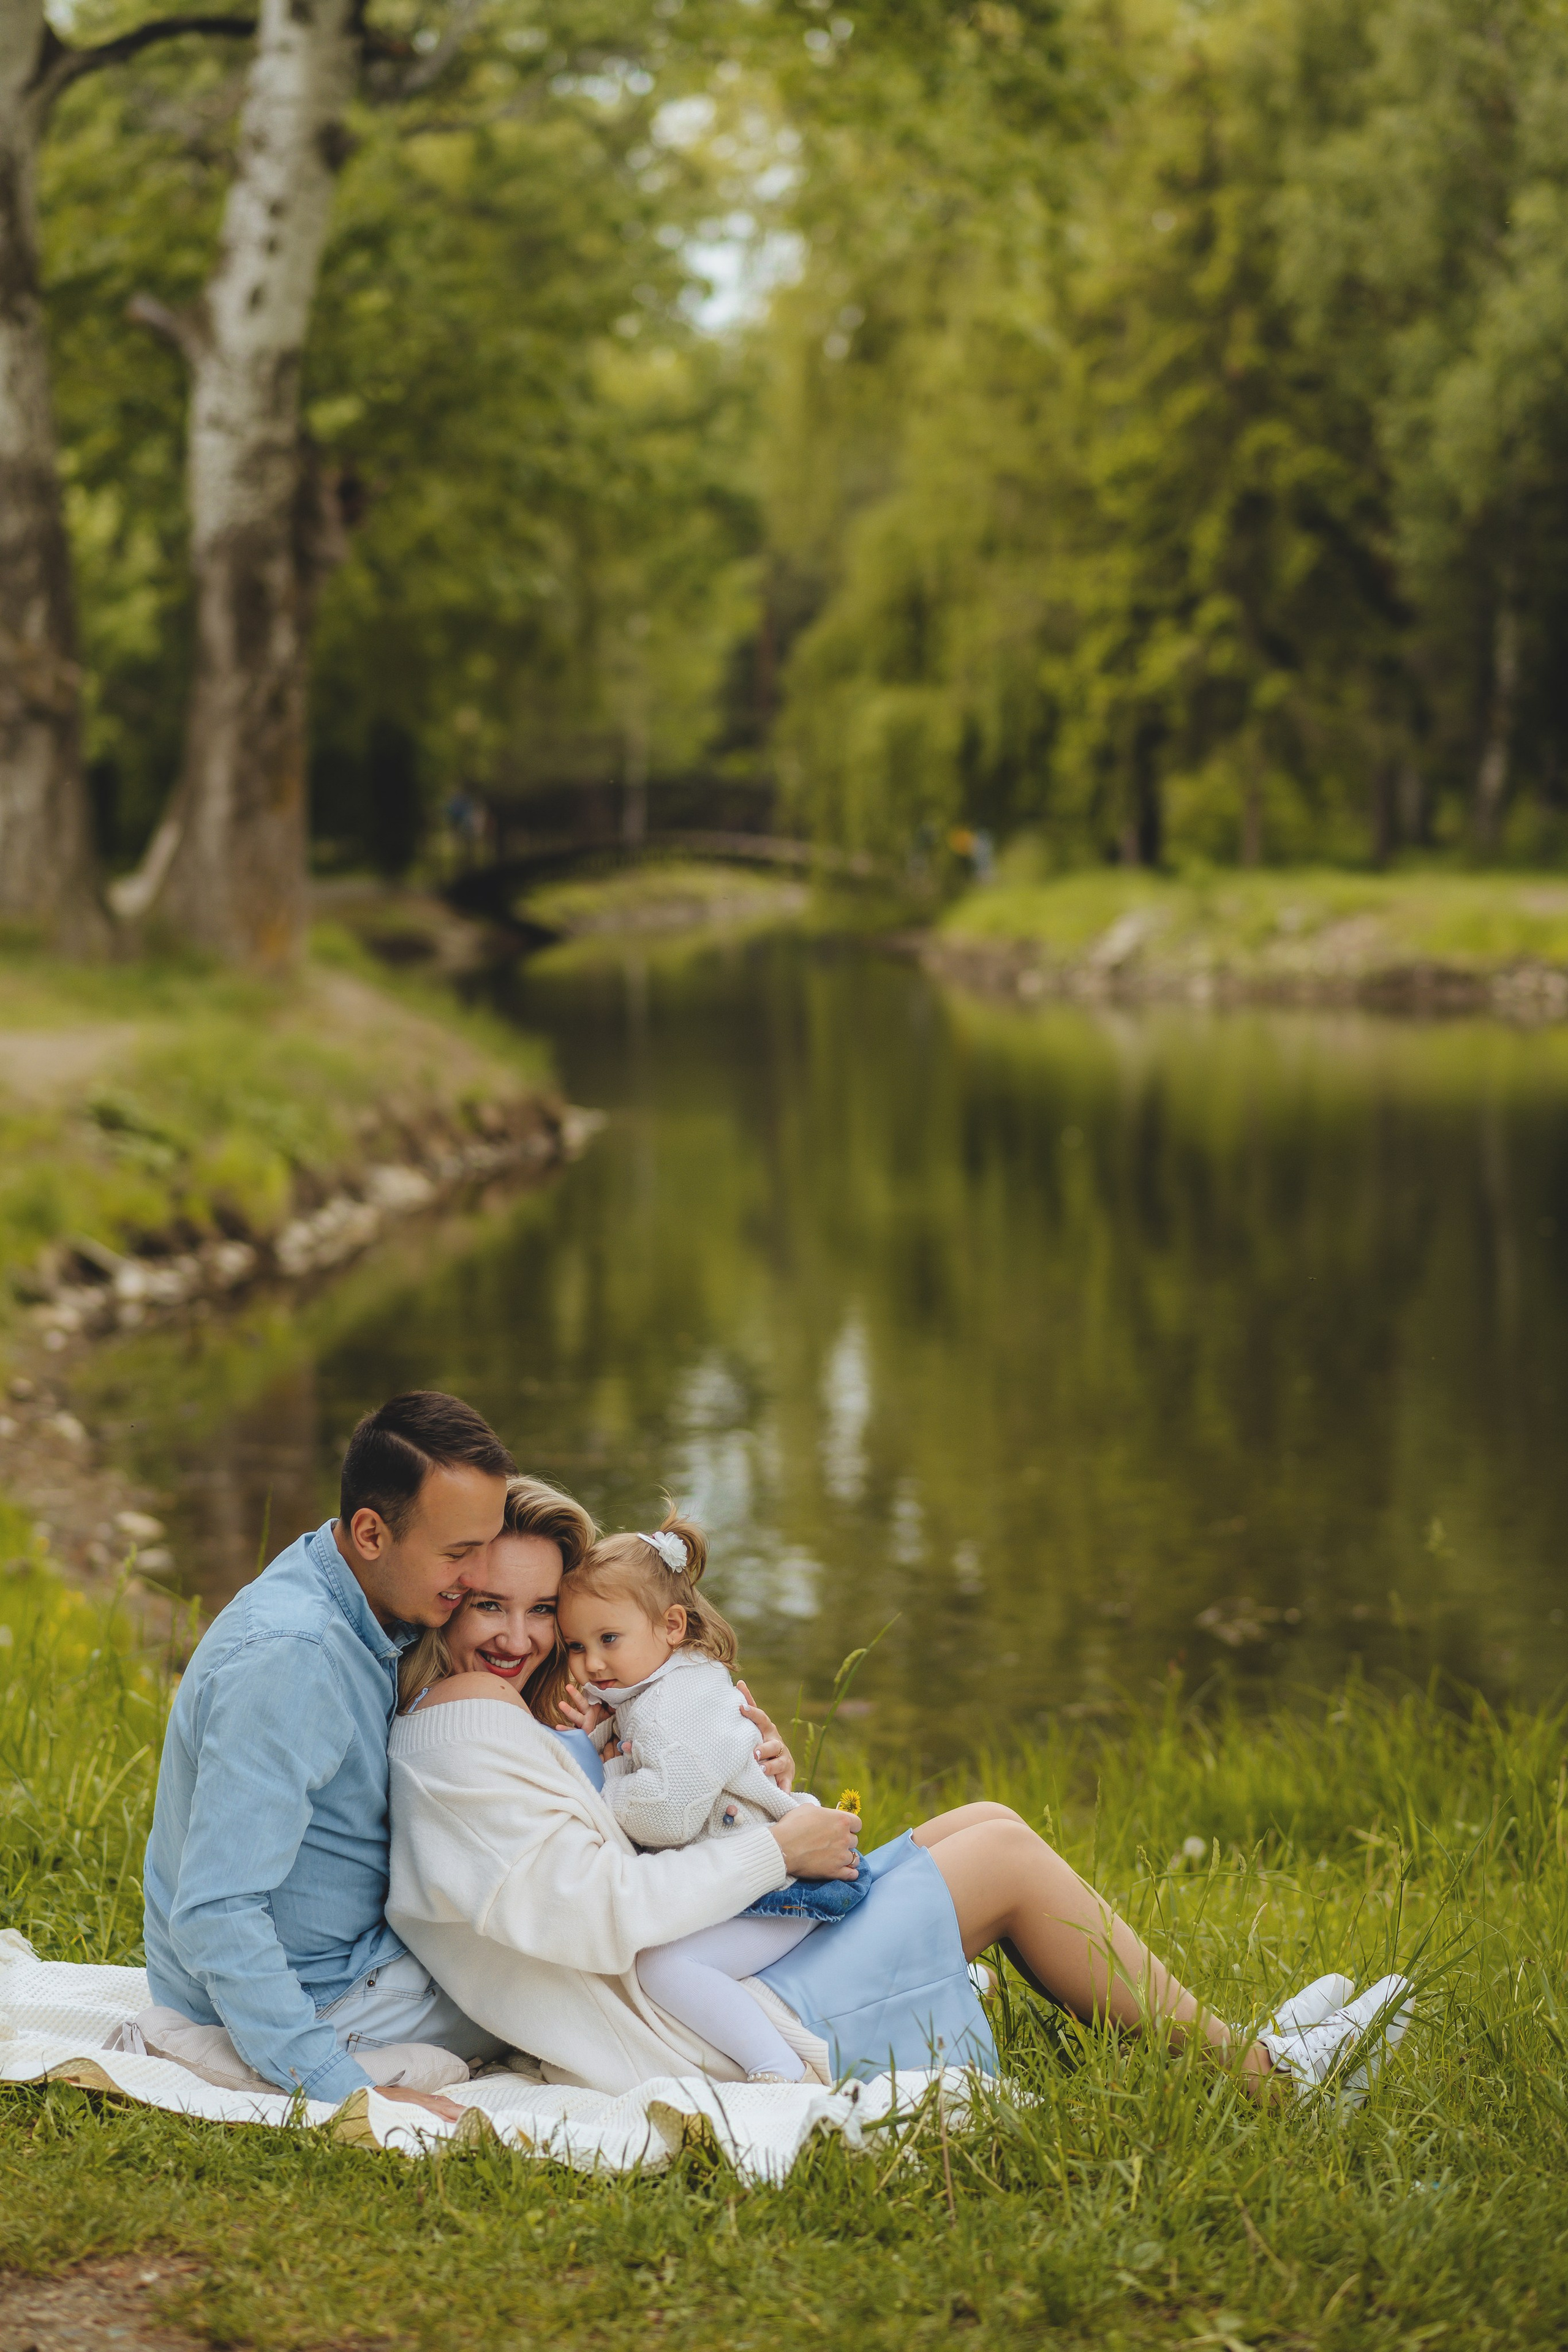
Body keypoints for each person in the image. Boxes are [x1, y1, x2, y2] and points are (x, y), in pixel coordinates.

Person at [388, 1487, 1412, 2101]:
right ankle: (1271, 2083)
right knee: (1002, 1862)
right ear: (445, 1602)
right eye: (490, 1606)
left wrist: (755, 1787)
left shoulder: (551, 1716)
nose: (522, 1637)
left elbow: (642, 1827)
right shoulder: (465, 1734)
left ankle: (1239, 2044)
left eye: (544, 1610)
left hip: (711, 1954)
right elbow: (596, 1902)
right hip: (694, 2016)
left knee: (985, 1822)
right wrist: (773, 1848)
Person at [138, 1392, 520, 2122]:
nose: (478, 1577)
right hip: (318, 1996)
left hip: (357, 1954)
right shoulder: (294, 1659)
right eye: (458, 1553)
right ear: (372, 1533)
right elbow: (218, 1911)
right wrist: (341, 2089)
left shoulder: (352, 1587)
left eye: (485, 1546)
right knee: (579, 1983)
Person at [555, 1511, 867, 2086]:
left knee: (665, 1967)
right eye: (576, 1645)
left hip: (785, 1881)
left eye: (608, 1639)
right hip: (756, 1875)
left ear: (672, 1626)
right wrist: (595, 1738)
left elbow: (667, 1814)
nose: (591, 1663)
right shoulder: (655, 1688)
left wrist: (605, 1778)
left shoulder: (678, 1702)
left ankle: (777, 2070)